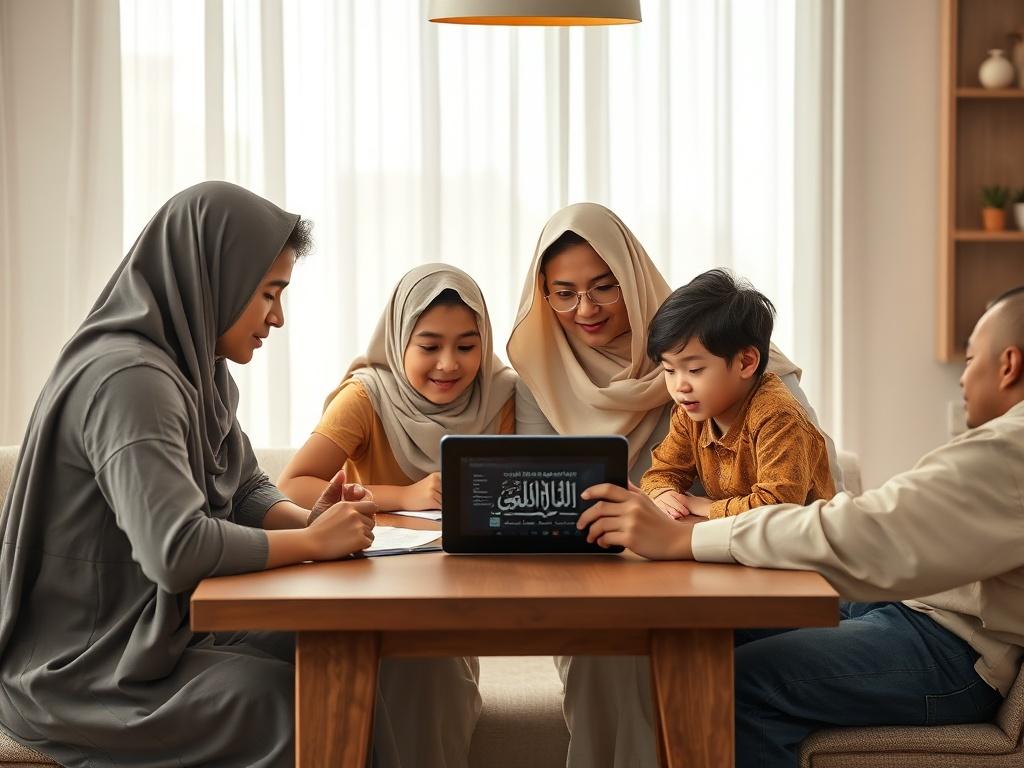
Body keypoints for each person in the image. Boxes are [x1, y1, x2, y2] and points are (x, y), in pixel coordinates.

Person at [0, 182, 469, 767]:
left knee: (363, 658)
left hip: (165, 635)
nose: (278, 317)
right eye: (269, 293)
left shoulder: (202, 373)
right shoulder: (129, 382)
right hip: (89, 671)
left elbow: (245, 485)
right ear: (213, 277)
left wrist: (308, 519)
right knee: (291, 707)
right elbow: (176, 550)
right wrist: (309, 543)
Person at [578, 286, 1024, 767]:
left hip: (951, 652)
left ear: (1008, 365)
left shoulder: (1008, 451)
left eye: (972, 357)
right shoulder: (1001, 449)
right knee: (687, 644)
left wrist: (685, 536)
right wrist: (673, 507)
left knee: (733, 681)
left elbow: (866, 532)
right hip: (906, 609)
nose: (961, 377)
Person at [507, 201, 842, 767]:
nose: (584, 309)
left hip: (725, 558)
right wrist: (659, 497)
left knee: (676, 651)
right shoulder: (542, 371)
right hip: (613, 564)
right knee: (601, 645)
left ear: (633, 279)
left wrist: (687, 508)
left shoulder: (717, 352)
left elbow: (792, 486)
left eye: (604, 287)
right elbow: (562, 486)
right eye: (563, 293)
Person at [278, 264, 516, 512]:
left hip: (479, 551)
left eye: (466, 347)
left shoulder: (500, 395)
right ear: (398, 341)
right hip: (373, 549)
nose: (448, 364)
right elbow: (291, 488)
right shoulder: (366, 397)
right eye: (429, 347)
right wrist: (403, 497)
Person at [641, 268, 834, 520]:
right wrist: (661, 492)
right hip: (739, 541)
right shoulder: (690, 412)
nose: (680, 386)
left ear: (745, 362)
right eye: (669, 370)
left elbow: (778, 508)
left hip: (801, 546)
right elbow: (662, 471)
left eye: (695, 369)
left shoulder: (778, 417)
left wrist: (705, 507)